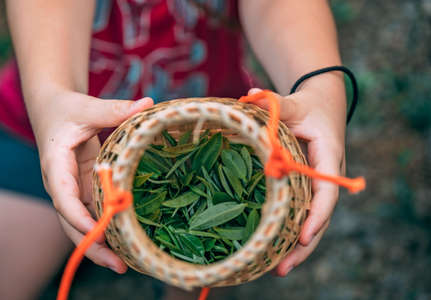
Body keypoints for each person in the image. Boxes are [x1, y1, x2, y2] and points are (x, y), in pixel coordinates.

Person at [0, 0, 347, 299]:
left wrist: (319, 84)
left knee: (212, 264)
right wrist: (50, 98)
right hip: (55, 133)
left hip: (208, 137)